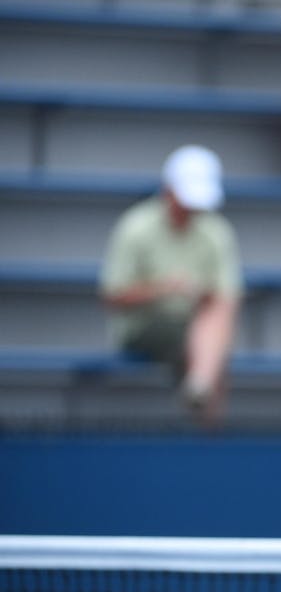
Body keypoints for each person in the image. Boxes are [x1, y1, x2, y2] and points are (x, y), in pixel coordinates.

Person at [100, 145, 242, 426]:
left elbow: (227, 297)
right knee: (212, 344)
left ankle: (201, 386)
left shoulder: (217, 232)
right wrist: (164, 289)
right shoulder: (135, 227)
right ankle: (202, 391)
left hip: (195, 327)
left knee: (211, 329)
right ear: (169, 190)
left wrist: (199, 295)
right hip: (144, 326)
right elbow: (112, 296)